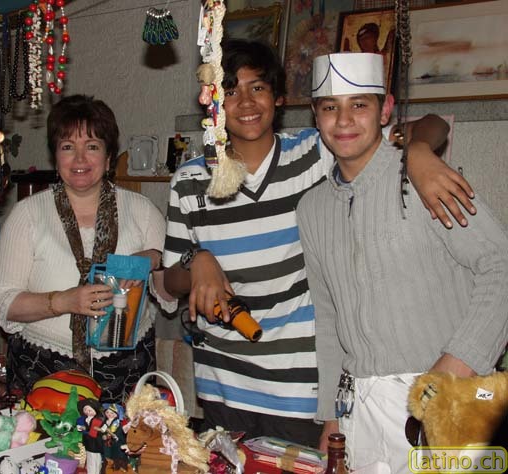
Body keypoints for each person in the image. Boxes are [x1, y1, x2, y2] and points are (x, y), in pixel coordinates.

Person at [162, 39, 475, 447]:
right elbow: (169, 281)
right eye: (231, 91)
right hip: (224, 387)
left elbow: (433, 124)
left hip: (304, 390)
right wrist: (197, 260)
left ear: (279, 97)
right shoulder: (189, 181)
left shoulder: (316, 153)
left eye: (258, 87)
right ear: (213, 104)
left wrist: (417, 151)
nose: (246, 102)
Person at [296, 52, 508, 470]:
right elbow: (328, 317)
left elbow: (500, 264)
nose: (344, 120)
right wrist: (331, 415)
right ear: (316, 117)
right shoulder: (312, 209)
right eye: (330, 107)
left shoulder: (424, 179)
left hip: (450, 399)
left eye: (359, 105)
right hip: (360, 411)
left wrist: (455, 365)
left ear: (385, 110)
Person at [0, 94, 166, 403]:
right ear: (55, 157)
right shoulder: (27, 214)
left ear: (108, 158)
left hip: (128, 373)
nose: (80, 159)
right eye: (68, 147)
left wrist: (156, 259)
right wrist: (64, 301)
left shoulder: (142, 211)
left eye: (92, 146)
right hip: (43, 372)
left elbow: (169, 290)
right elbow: (4, 302)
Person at [77, 398, 104, 474]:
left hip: (96, 442)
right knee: (90, 458)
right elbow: (85, 428)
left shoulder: (98, 420)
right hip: (88, 441)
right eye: (85, 410)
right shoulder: (84, 419)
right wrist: (82, 428)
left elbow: (95, 430)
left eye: (90, 410)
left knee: (96, 459)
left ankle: (96, 472)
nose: (87, 412)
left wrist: (86, 429)